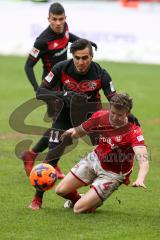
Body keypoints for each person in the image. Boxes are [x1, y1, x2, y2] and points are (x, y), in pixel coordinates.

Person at [28, 38, 117, 210]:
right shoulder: (61, 68)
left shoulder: (101, 74)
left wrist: (125, 112)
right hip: (64, 117)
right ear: (72, 56)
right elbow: (40, 92)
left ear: (91, 57)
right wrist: (63, 95)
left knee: (106, 157)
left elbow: (114, 100)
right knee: (51, 157)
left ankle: (92, 195)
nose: (81, 62)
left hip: (92, 119)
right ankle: (37, 199)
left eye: (85, 58)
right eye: (77, 57)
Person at [21, 2, 97, 178]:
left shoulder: (65, 29)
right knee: (60, 127)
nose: (58, 23)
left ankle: (34, 156)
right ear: (48, 19)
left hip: (65, 85)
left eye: (61, 19)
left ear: (65, 19)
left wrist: (86, 43)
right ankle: (47, 162)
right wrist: (36, 88)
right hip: (51, 88)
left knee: (61, 128)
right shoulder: (42, 41)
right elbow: (28, 66)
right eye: (54, 19)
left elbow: (69, 37)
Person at [55, 93, 149, 213]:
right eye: (113, 113)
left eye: (119, 115)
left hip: (113, 173)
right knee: (61, 190)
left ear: (128, 113)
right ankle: (83, 200)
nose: (114, 117)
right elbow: (81, 131)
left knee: (78, 209)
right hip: (95, 158)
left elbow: (143, 160)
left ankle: (92, 201)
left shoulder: (134, 132)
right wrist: (72, 131)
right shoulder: (100, 116)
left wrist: (140, 179)